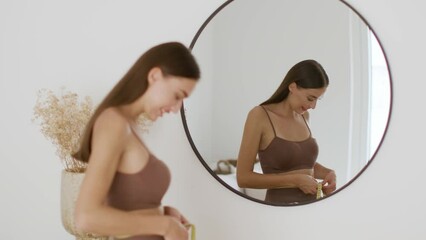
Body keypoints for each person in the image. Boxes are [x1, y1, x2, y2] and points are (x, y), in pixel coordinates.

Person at [72, 42, 200, 240]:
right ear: (154, 76)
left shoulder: (130, 125)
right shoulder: (114, 123)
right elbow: (86, 217)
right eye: (177, 96)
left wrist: (163, 213)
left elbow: (126, 202)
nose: (176, 109)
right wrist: (164, 226)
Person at [236, 59, 336, 205]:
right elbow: (243, 178)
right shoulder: (259, 115)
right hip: (280, 212)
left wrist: (328, 173)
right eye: (310, 98)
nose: (313, 106)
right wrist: (295, 180)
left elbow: (303, 164)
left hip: (313, 208)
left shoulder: (304, 116)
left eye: (317, 100)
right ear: (292, 87)